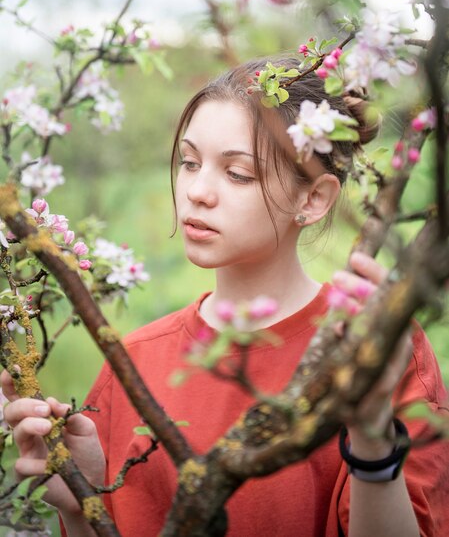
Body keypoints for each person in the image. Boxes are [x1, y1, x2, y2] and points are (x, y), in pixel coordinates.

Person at [2, 56, 449, 537]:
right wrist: (82, 502)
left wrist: (372, 435)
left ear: (314, 198)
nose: (197, 191)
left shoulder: (374, 354)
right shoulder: (134, 362)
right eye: (189, 163)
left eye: (237, 173)